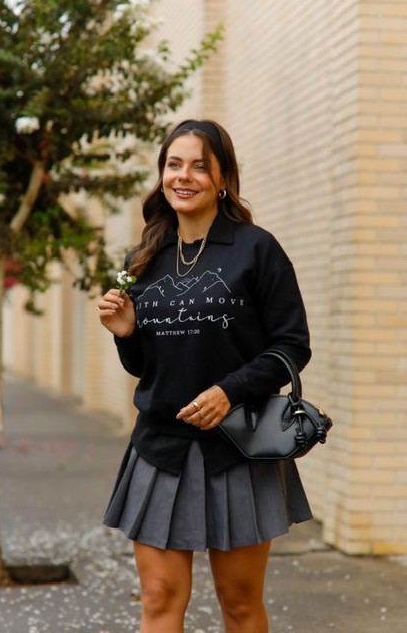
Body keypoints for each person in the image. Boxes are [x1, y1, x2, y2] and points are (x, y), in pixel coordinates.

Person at [97, 119, 312, 633]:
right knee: (158, 600)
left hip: (238, 447)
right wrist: (126, 333)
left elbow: (292, 346)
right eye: (174, 164)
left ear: (222, 179)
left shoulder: (256, 249)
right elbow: (145, 367)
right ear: (162, 174)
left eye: (199, 166)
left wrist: (227, 392)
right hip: (159, 448)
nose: (183, 176)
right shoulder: (141, 259)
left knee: (239, 603)